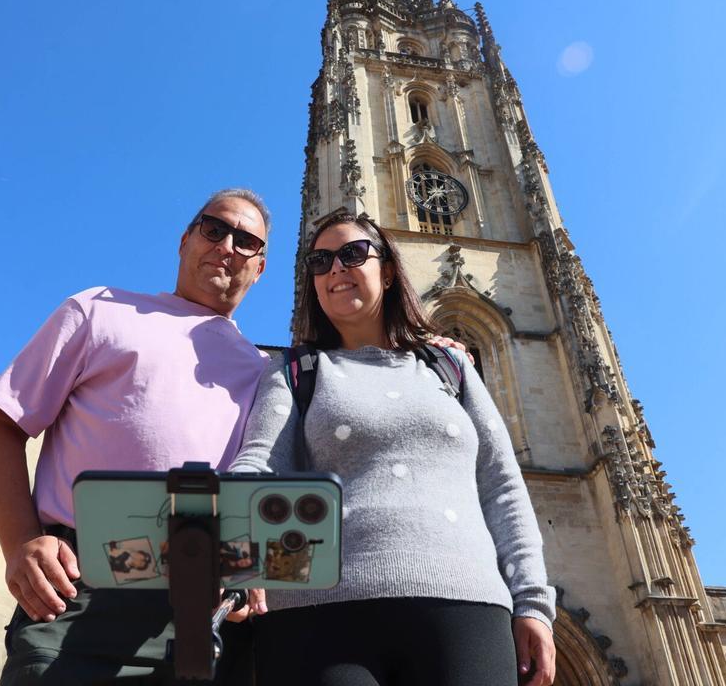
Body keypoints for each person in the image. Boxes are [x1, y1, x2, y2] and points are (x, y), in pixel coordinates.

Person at [230, 212, 558, 686]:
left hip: (465, 604)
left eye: (352, 254)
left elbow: (501, 486)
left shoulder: (450, 366)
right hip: (318, 616)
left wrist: (532, 603)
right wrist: (237, 557)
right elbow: (260, 464)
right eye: (320, 261)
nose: (335, 269)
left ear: (386, 271)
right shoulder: (294, 371)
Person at [0, 188, 272, 685]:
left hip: (207, 610)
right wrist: (21, 541)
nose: (226, 246)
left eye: (246, 241)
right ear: (185, 240)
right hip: (81, 593)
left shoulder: (267, 374)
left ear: (259, 268)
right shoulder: (100, 310)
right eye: (213, 229)